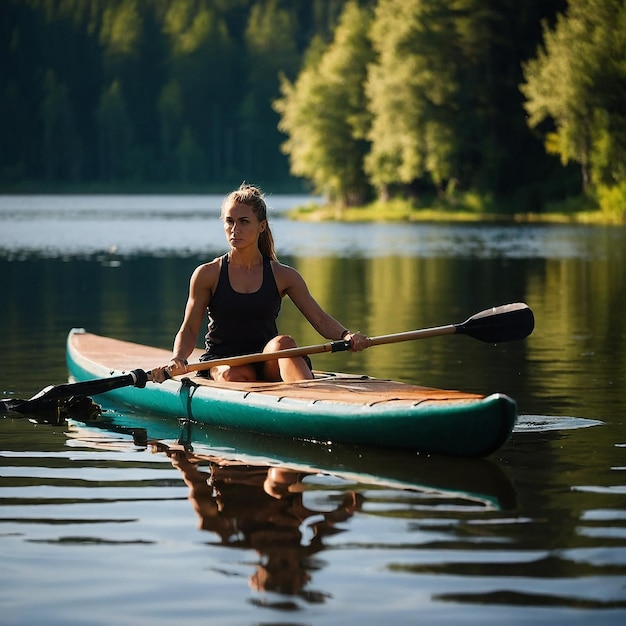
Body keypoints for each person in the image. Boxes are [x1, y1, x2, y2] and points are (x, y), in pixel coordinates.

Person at [151, 183, 369, 384]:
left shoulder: (284, 276)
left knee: (285, 344)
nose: (235, 229)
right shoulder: (207, 274)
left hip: (267, 360)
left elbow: (320, 319)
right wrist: (178, 358)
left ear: (261, 226)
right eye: (229, 221)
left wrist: (346, 336)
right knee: (232, 373)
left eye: (244, 221)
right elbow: (189, 329)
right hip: (224, 363)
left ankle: (310, 401)